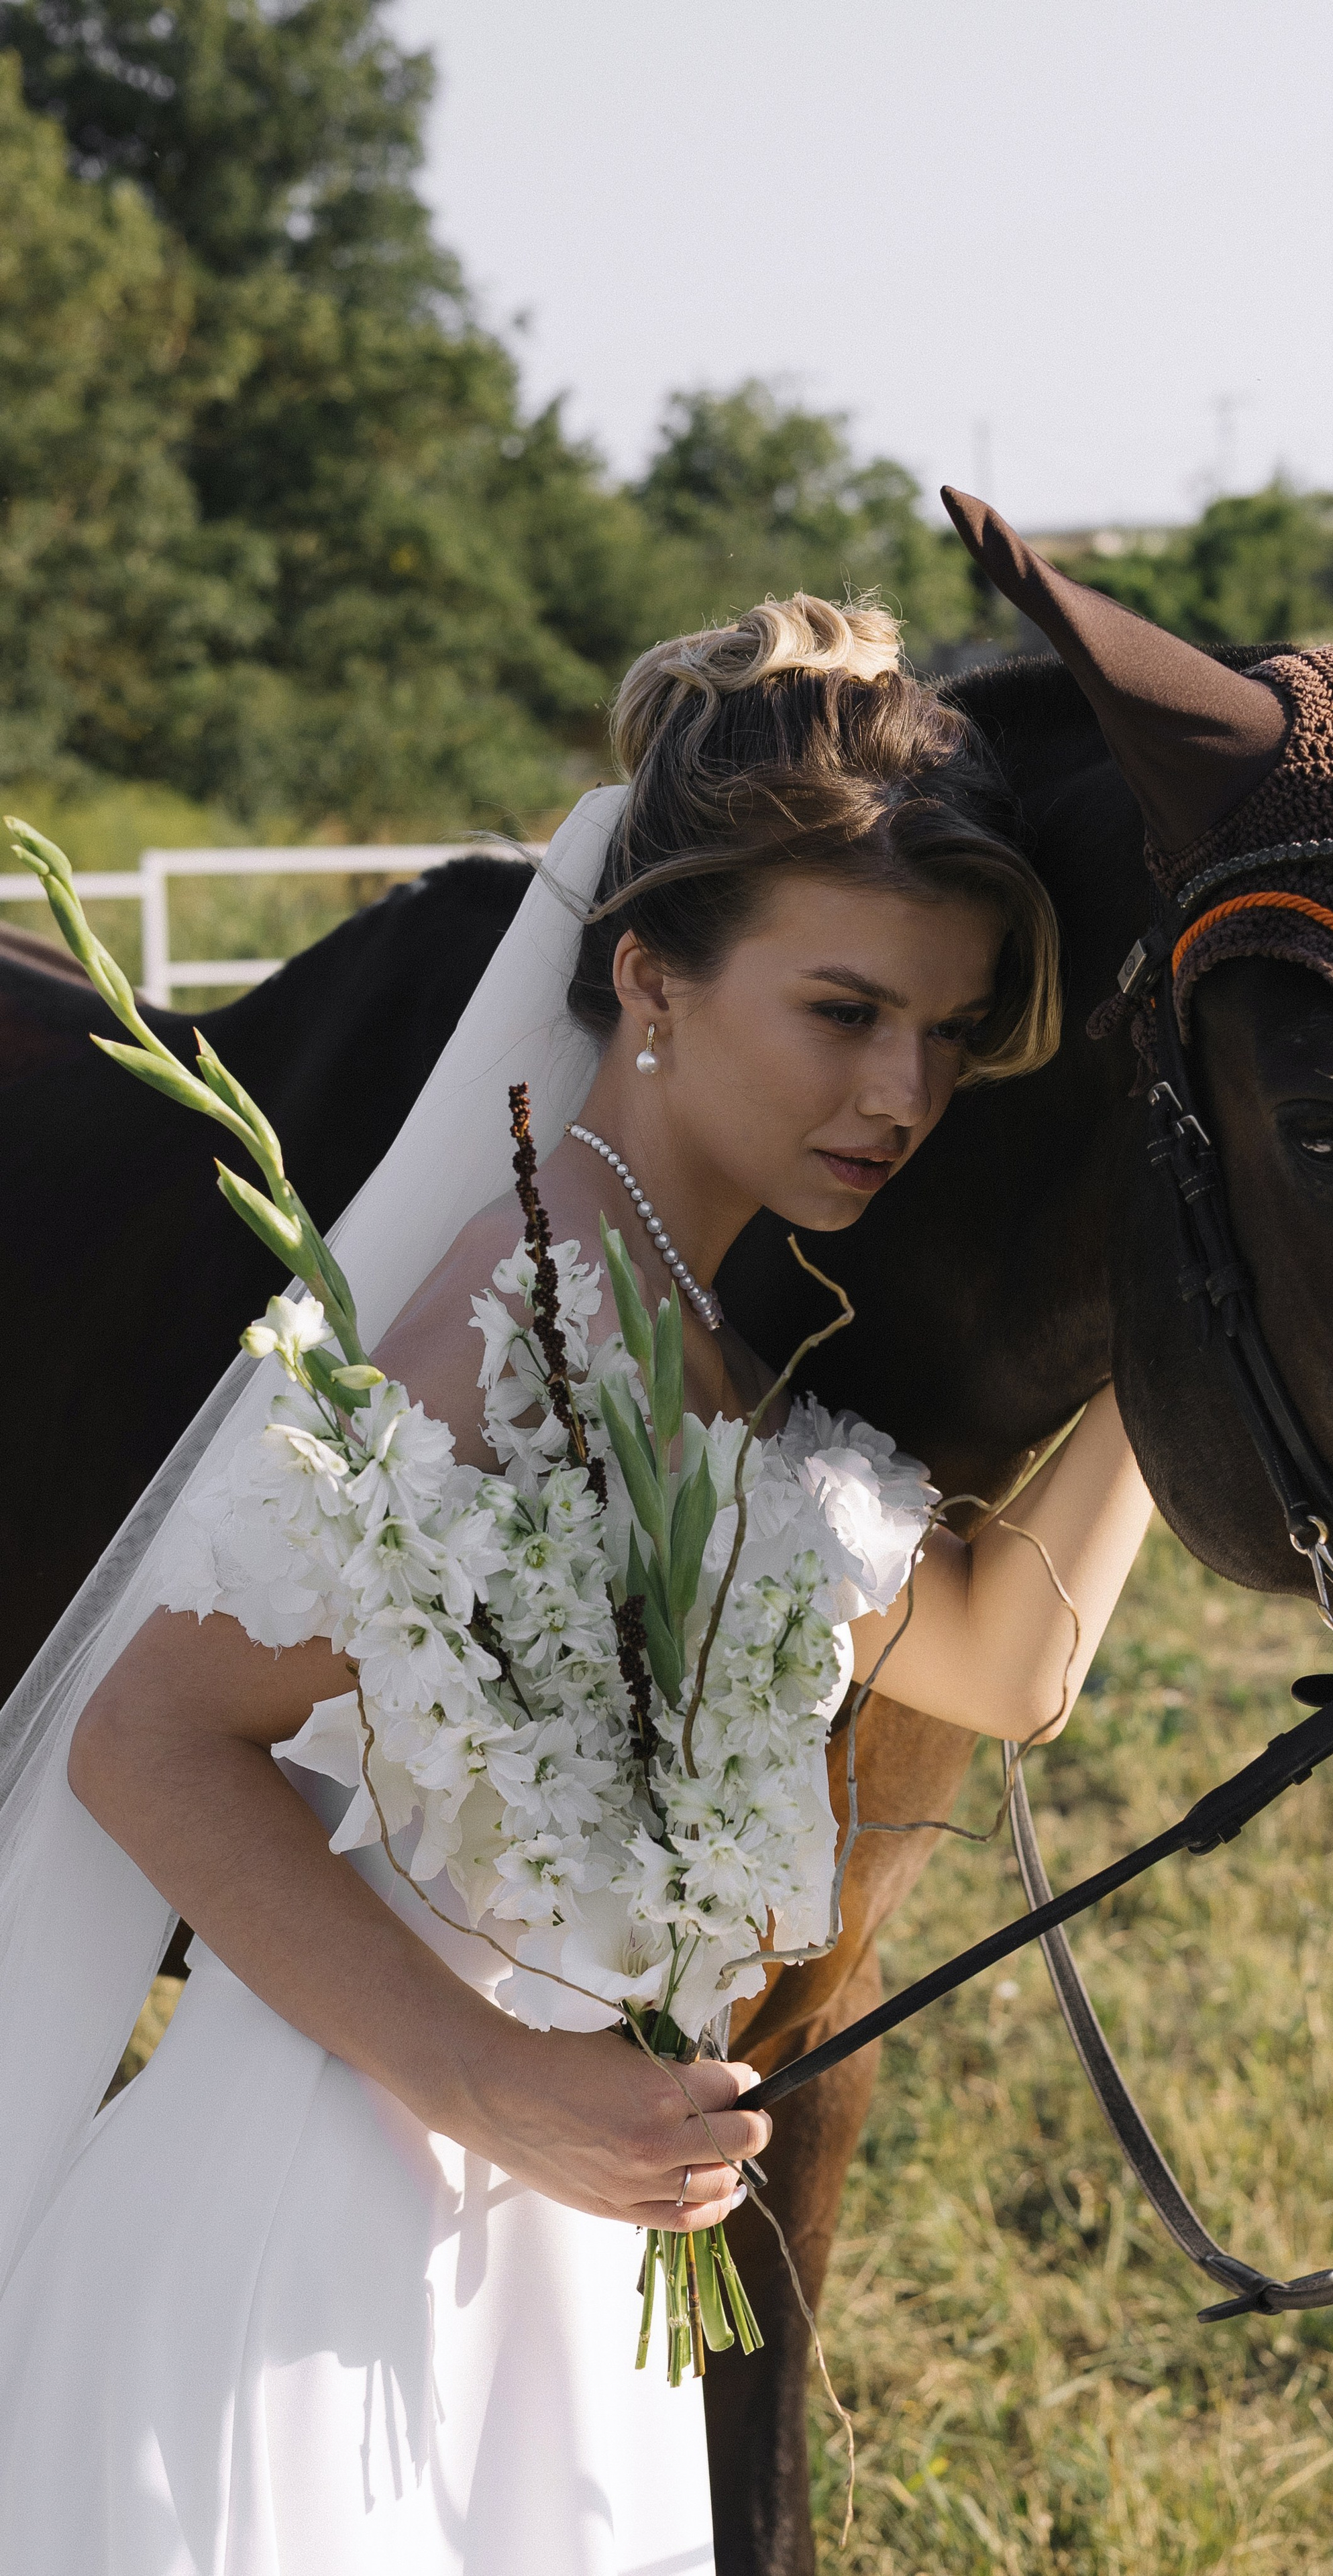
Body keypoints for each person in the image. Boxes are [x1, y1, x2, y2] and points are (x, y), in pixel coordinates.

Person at [0, 594, 1152, 2573]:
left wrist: (1181, 1269)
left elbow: (1008, 1657)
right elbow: (148, 1739)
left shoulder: (684, 1319)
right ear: (652, 979)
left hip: (548, 2254)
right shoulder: (528, 1315)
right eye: (845, 1012)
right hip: (323, 2248)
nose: (904, 1093)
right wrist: (502, 2086)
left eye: (949, 1035)